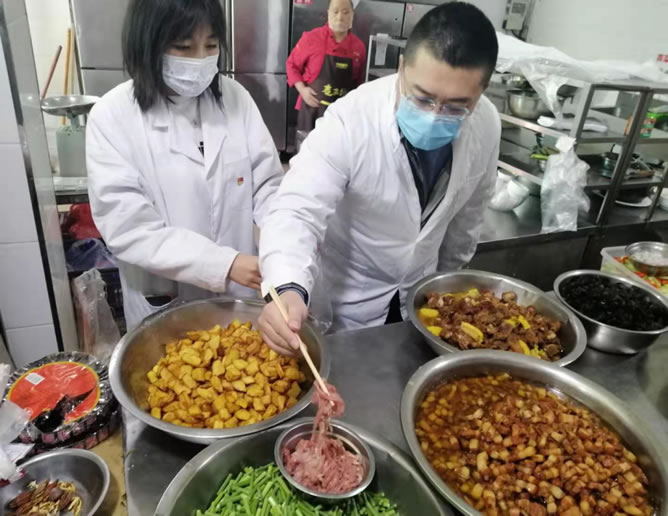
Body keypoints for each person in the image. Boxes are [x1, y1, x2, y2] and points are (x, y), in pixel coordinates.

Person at [258, 2, 501, 354]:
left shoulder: (487, 124)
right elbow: (296, 210)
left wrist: (446, 289)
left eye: (455, 106)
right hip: (348, 302)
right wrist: (287, 287)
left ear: (481, 94)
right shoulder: (351, 120)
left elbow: (468, 218)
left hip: (422, 300)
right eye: (423, 97)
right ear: (401, 68)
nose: (435, 116)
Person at [86, 0, 282, 331]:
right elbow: (129, 227)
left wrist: (279, 244)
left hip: (239, 298)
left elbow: (268, 186)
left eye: (211, 45)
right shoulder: (112, 117)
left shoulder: (236, 99)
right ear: (148, 43)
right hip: (166, 302)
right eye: (184, 47)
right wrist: (224, 264)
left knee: (243, 358)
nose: (200, 60)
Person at [286, 0, 366, 149]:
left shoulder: (359, 48)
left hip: (341, 116)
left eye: (345, 12)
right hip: (311, 112)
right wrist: (302, 90)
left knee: (336, 154)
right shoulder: (311, 38)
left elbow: (359, 84)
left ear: (352, 15)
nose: (340, 17)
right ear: (328, 13)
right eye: (335, 11)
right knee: (307, 153)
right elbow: (291, 65)